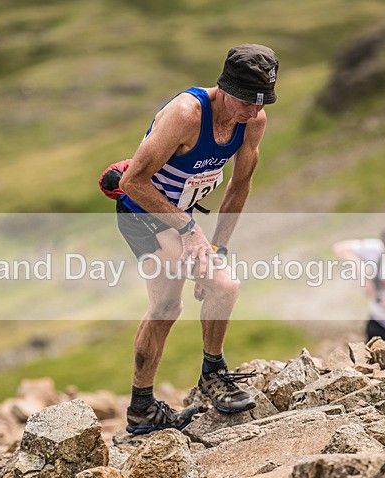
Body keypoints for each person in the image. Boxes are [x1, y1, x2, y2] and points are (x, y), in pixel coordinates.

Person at [110, 44, 278, 434]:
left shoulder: (253, 120)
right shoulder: (186, 115)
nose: (252, 111)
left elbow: (240, 186)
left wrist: (217, 247)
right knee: (224, 286)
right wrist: (189, 231)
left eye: (261, 101)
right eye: (246, 101)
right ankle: (212, 375)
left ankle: (141, 410)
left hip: (177, 218)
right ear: (225, 87)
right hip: (142, 213)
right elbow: (132, 182)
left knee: (166, 307)